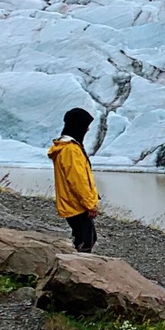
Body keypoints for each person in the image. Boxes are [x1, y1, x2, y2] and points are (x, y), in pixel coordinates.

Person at [47, 107, 100, 252]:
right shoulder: (70, 150)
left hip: (73, 203)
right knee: (85, 242)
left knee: (85, 238)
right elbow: (78, 180)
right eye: (85, 125)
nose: (88, 129)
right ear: (78, 126)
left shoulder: (68, 147)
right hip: (77, 204)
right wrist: (89, 204)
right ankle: (78, 271)